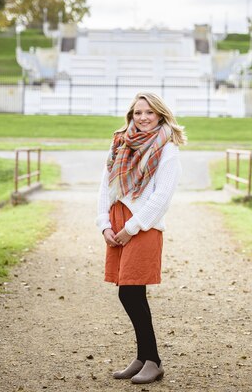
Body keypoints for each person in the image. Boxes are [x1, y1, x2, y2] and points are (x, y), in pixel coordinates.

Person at [96, 92, 186, 384]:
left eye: (149, 112)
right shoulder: (119, 143)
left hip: (143, 226)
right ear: (130, 116)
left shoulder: (168, 150)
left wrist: (131, 228)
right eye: (137, 113)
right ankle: (142, 358)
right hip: (117, 222)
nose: (143, 118)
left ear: (160, 114)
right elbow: (105, 186)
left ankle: (154, 361)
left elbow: (161, 198)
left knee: (130, 291)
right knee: (130, 292)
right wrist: (104, 224)